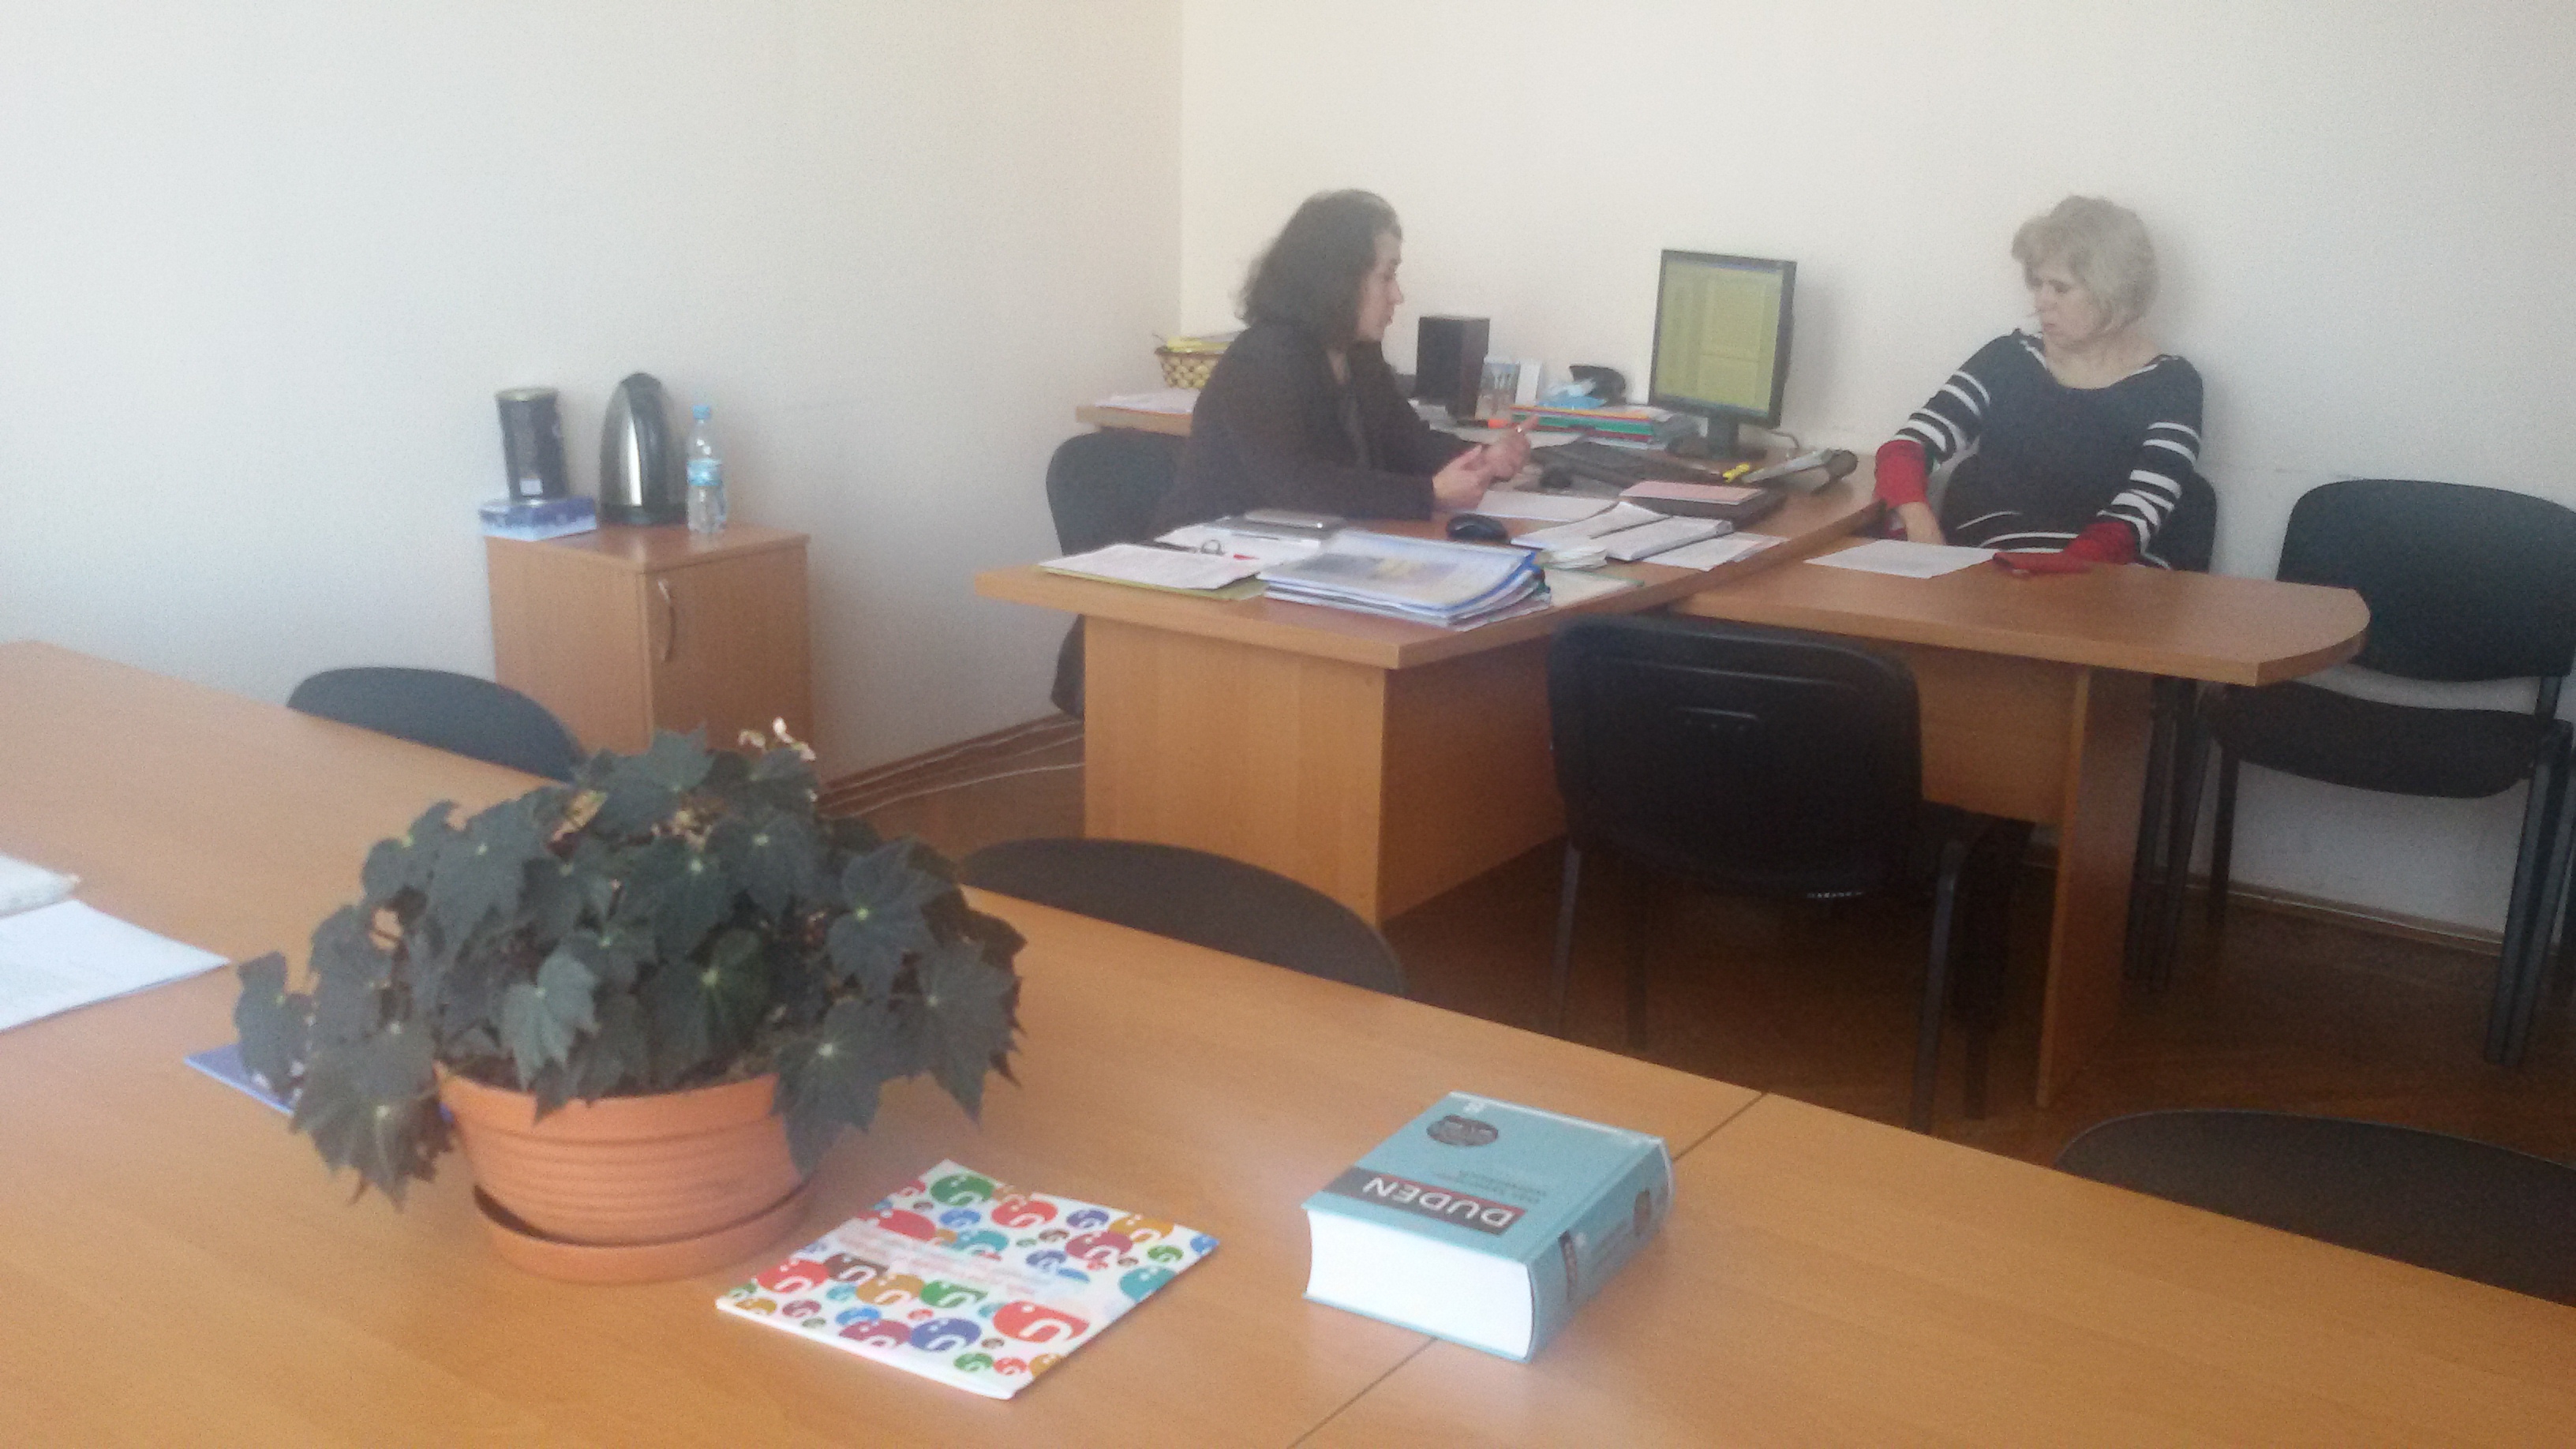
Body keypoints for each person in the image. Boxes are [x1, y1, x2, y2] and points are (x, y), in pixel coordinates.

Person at [1153, 190, 1532, 530]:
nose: (1397, 295)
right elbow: (1297, 484)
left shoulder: (1357, 352)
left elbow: (1407, 442)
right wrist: (1429, 494)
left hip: (1307, 546)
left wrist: (1485, 459)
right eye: (1386, 277)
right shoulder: (1263, 358)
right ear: (1338, 280)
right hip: (1212, 551)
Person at [1875, 196, 2211, 573]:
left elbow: (2142, 511)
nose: (2041, 301)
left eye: (2061, 288)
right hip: (1991, 579)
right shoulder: (2008, 359)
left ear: (2112, 293)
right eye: (2037, 283)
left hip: (2104, 585)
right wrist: (1919, 521)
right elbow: (1906, 448)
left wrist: (2050, 577)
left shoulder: (2172, 385)